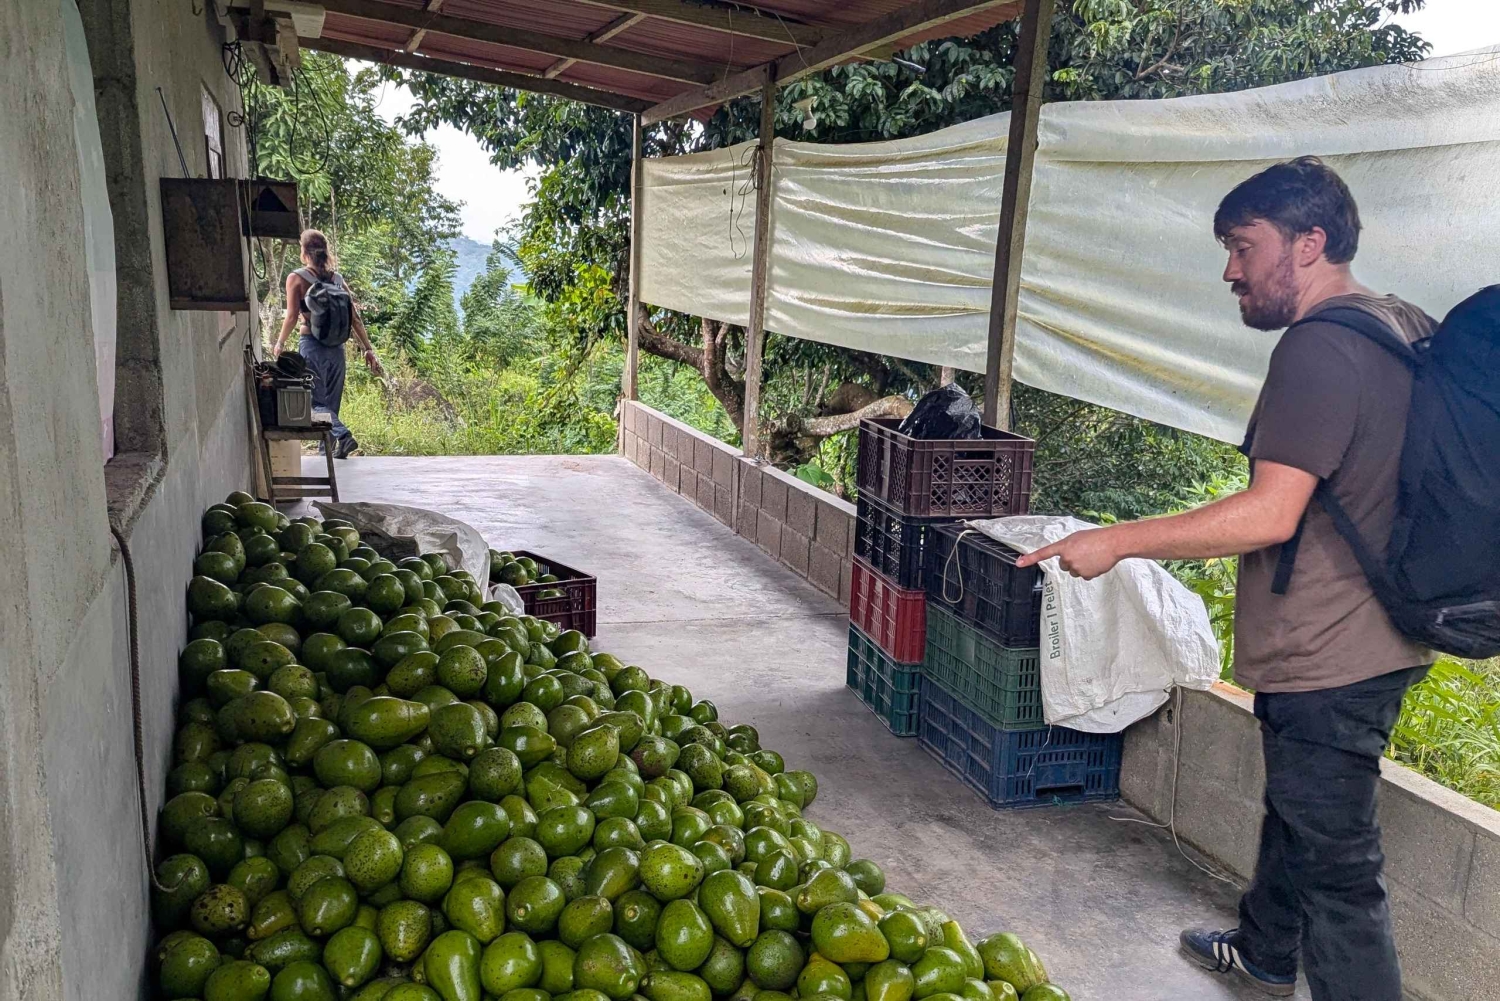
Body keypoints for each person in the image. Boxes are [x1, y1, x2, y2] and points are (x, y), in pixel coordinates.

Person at [1016, 157, 1434, 1000]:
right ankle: (1266, 950)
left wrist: (1119, 541)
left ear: (1309, 242)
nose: (1230, 270)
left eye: (1245, 247)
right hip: (1382, 633)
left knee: (1341, 870)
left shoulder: (1322, 348)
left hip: (1331, 649)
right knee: (1300, 808)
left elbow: (1271, 511)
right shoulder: (1403, 325)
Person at [272, 229, 383, 458]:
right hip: (337, 350)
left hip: (311, 345)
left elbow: (292, 316)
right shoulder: (338, 280)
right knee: (331, 406)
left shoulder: (296, 278)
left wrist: (280, 344)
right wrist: (368, 350)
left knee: (314, 404)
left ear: (304, 252)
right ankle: (329, 452)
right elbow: (354, 318)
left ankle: (343, 437)